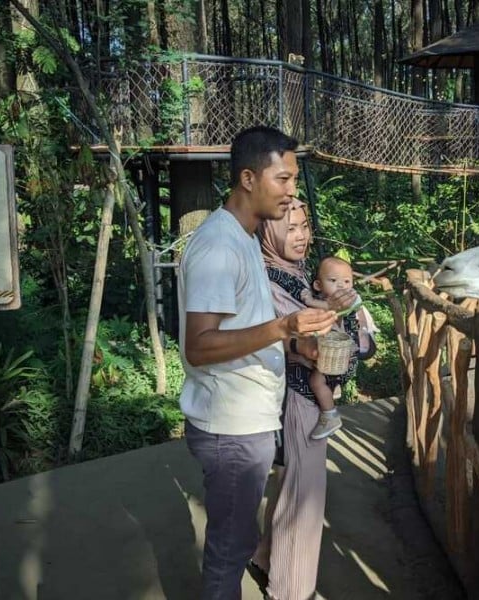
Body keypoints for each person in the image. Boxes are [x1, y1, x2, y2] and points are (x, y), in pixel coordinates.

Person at [177, 126, 338, 600]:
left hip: (247, 420)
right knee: (230, 552)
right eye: (282, 179)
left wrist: (293, 348)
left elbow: (242, 327)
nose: (292, 192)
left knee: (239, 539)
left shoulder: (245, 238)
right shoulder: (218, 247)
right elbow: (200, 346)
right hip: (230, 427)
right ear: (248, 178)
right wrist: (284, 329)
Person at [253, 199, 377, 600]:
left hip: (307, 397)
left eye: (305, 226)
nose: (302, 235)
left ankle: (265, 558)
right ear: (268, 230)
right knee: (304, 498)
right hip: (298, 399)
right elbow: (316, 347)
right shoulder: (269, 280)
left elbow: (362, 344)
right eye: (290, 228)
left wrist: (349, 315)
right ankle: (289, 589)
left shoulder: (300, 274)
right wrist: (343, 319)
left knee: (293, 488)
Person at [300, 256, 365, 440]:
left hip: (337, 353)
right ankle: (333, 390)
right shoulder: (325, 298)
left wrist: (310, 301)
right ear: (318, 285)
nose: (342, 286)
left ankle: (330, 414)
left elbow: (330, 309)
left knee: (315, 381)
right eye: (333, 281)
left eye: (347, 281)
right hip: (325, 350)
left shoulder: (349, 299)